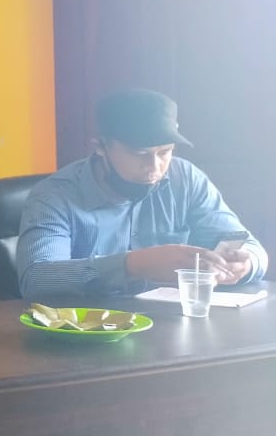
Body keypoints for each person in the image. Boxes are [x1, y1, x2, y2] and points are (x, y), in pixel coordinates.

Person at [17, 89, 267, 305]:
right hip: (90, 331)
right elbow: (36, 278)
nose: (154, 167)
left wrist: (245, 265)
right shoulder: (55, 195)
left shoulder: (186, 179)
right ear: (100, 147)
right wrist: (133, 265)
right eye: (140, 153)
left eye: (165, 152)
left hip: (173, 326)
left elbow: (252, 248)